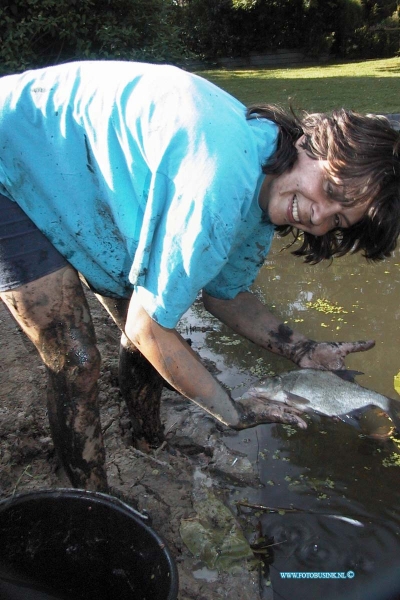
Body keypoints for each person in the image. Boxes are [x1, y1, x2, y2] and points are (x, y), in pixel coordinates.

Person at [0, 61, 399, 493]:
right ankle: (91, 503)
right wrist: (231, 411)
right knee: (77, 359)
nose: (318, 215)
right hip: (12, 145)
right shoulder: (221, 178)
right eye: (333, 192)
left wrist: (303, 349)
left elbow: (225, 296)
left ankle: (147, 440)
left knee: (145, 324)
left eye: (338, 221)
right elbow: (147, 327)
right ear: (313, 143)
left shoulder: (265, 188)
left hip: (78, 165)